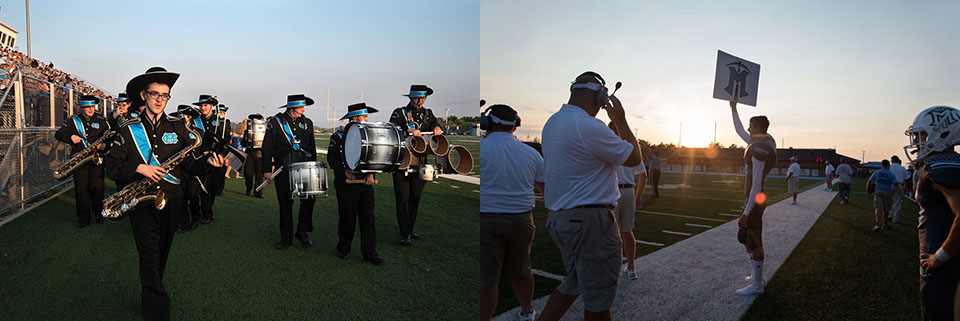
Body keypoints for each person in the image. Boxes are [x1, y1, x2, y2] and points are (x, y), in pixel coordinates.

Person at [103, 67, 224, 321]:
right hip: (141, 204)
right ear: (143, 95)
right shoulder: (128, 129)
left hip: (172, 203)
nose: (160, 99)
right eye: (155, 94)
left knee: (161, 257)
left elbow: (190, 165)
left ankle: (149, 299)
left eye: (165, 95)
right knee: (148, 257)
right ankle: (158, 312)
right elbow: (111, 166)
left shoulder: (178, 127)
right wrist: (139, 167)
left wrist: (208, 164)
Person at [538, 71, 642, 321]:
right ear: (600, 97)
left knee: (572, 284)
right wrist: (622, 121)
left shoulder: (553, 122)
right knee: (599, 300)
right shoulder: (588, 126)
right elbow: (634, 158)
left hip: (563, 218)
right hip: (590, 222)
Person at [478, 104, 543, 321]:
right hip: (522, 220)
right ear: (515, 126)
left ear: (488, 123)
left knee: (487, 279)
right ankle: (527, 312)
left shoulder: (482, 149)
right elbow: (546, 190)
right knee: (523, 271)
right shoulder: (531, 153)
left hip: (486, 218)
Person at [904, 106, 960, 320]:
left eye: (923, 134)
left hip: (948, 265)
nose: (918, 141)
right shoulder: (940, 165)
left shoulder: (942, 168)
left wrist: (941, 256)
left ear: (943, 133)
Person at [730, 98, 777, 296]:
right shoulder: (763, 140)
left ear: (758, 127)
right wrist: (734, 109)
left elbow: (756, 185)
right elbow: (740, 131)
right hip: (753, 198)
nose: (748, 129)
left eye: (751, 126)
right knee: (745, 238)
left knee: (754, 241)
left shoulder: (760, 149)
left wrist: (747, 212)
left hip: (756, 198)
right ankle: (755, 275)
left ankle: (758, 284)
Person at [327, 102, 384, 264]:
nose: (366, 120)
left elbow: (374, 157)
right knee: (347, 217)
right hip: (346, 184)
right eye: (363, 117)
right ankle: (343, 248)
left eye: (366, 117)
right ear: (354, 118)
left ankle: (370, 252)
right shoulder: (338, 136)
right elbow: (332, 159)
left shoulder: (370, 135)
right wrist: (344, 170)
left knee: (368, 218)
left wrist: (371, 174)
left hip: (365, 183)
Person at [388, 84, 443, 246]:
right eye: (417, 98)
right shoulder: (399, 112)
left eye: (423, 99)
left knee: (415, 198)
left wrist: (438, 128)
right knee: (403, 198)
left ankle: (410, 229)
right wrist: (408, 130)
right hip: (402, 162)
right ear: (411, 98)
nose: (420, 101)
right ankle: (405, 233)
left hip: (421, 162)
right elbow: (392, 128)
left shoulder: (428, 113)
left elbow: (436, 125)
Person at [262, 94, 318, 250]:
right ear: (292, 107)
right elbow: (267, 147)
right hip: (283, 169)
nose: (303, 109)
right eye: (301, 106)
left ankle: (302, 232)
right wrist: (267, 169)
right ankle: (286, 239)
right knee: (286, 205)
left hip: (304, 169)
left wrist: (313, 166)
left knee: (308, 201)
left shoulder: (308, 123)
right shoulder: (275, 122)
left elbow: (311, 146)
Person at [54, 95, 109, 227]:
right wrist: (70, 136)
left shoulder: (101, 120)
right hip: (79, 161)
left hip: (96, 160)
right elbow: (59, 134)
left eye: (92, 106)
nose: (90, 109)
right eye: (87, 107)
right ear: (81, 107)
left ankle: (98, 213)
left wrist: (105, 146)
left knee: (98, 187)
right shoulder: (73, 120)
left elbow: (109, 136)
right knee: (81, 189)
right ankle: (83, 218)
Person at [609, 121, 646, 280]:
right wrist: (638, 195)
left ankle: (612, 269)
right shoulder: (630, 149)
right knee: (627, 232)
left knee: (611, 234)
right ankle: (631, 268)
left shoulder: (608, 146)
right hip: (628, 191)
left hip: (612, 192)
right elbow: (643, 175)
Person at [171, 105, 205, 234]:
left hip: (192, 167)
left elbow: (199, 147)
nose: (180, 117)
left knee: (192, 194)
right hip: (178, 168)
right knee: (180, 197)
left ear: (189, 117)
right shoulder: (173, 130)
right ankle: (184, 222)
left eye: (183, 115)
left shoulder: (198, 131)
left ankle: (196, 216)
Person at [193, 95, 219, 224]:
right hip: (202, 157)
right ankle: (206, 213)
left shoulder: (221, 121)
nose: (203, 108)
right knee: (204, 186)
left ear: (211, 106)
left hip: (217, 158)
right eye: (201, 106)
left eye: (206, 105)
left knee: (214, 187)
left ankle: (209, 208)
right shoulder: (195, 120)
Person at [867, 159, 901, 231]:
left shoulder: (877, 172)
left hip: (878, 190)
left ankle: (877, 223)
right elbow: (895, 184)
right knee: (886, 208)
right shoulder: (890, 174)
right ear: (888, 165)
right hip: (887, 191)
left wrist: (867, 188)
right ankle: (885, 223)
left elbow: (869, 181)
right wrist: (900, 193)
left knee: (878, 208)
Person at [242, 113, 265, 198]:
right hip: (250, 154)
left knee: (259, 175)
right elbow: (243, 144)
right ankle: (249, 186)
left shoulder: (265, 131)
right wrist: (246, 138)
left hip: (261, 154)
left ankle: (258, 192)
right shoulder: (247, 131)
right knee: (248, 173)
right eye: (253, 120)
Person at [212, 104, 232, 195]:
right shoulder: (213, 121)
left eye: (223, 112)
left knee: (221, 170)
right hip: (213, 147)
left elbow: (228, 135)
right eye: (220, 111)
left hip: (222, 149)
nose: (221, 113)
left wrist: (224, 143)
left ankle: (220, 189)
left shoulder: (226, 122)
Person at [888, 155, 909, 223]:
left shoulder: (889, 167)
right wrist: (905, 187)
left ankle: (889, 215)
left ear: (891, 160)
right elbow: (906, 179)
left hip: (889, 185)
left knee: (888, 201)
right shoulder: (902, 168)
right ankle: (895, 218)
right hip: (899, 184)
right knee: (897, 203)